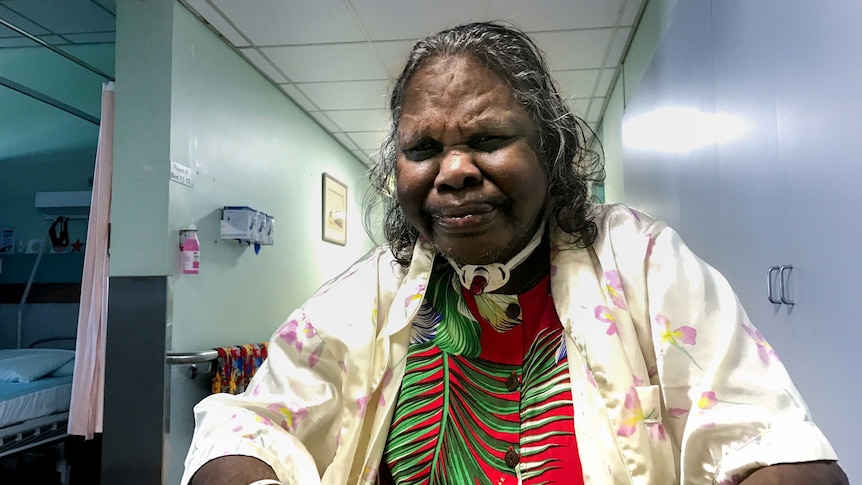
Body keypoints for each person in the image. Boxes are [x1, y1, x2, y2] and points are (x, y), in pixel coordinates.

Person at [183, 22, 847, 485]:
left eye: (488, 137)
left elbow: (774, 443)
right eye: (422, 149)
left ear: (549, 148)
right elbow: (244, 423)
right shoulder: (374, 290)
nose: (454, 171)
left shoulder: (641, 261)